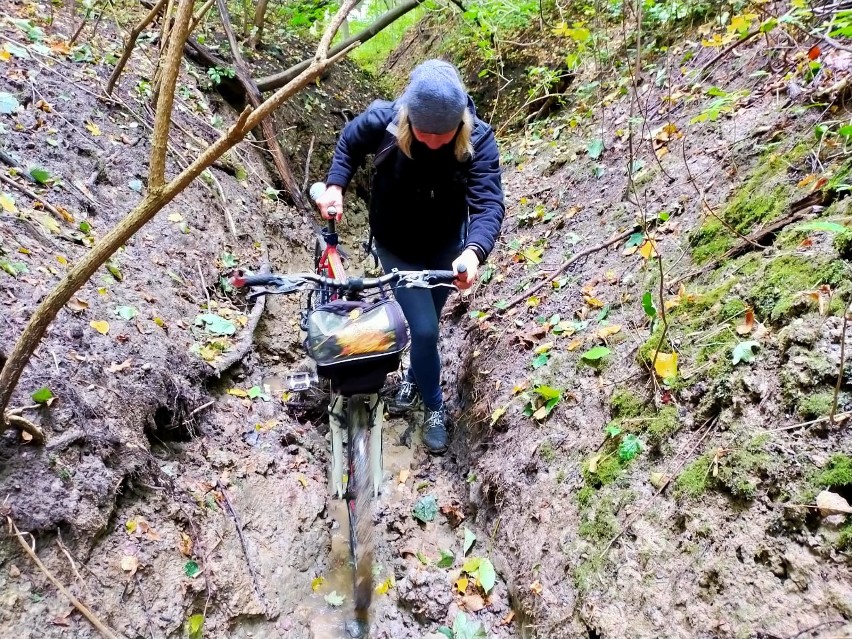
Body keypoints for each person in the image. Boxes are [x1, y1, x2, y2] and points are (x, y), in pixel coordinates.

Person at [314, 59, 505, 454]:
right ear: (408, 119)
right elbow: (349, 142)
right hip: (395, 244)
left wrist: (473, 252)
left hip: (447, 248)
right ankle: (435, 406)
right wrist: (335, 185)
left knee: (429, 321)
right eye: (423, 133)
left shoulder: (479, 140)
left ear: (461, 124)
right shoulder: (385, 120)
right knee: (424, 329)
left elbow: (488, 203)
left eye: (444, 135)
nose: (434, 142)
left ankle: (415, 380)